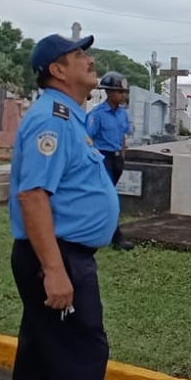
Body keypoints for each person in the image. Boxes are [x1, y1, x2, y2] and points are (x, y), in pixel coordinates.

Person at [0, 32, 123, 380]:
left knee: (38, 359)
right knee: (82, 360)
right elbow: (33, 196)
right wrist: (55, 271)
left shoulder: (70, 117)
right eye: (79, 56)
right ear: (57, 69)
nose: (90, 61)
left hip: (57, 253)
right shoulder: (51, 120)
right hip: (57, 256)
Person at [86, 71, 133, 250]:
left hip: (116, 158)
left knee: (105, 197)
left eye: (124, 92)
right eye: (119, 92)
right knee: (109, 198)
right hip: (102, 157)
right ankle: (117, 238)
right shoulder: (97, 114)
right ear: (109, 93)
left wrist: (122, 155)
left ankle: (98, 231)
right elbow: (87, 139)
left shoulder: (122, 114)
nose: (123, 95)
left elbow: (123, 136)